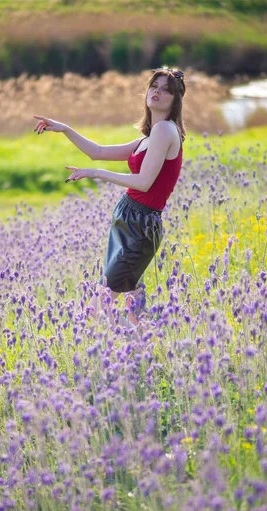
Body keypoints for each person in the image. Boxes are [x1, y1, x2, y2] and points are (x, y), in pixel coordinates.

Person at [34, 67, 186, 330]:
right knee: (130, 294)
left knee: (100, 300)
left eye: (166, 90)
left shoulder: (165, 131)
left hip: (142, 226)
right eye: (154, 86)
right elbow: (98, 151)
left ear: (175, 100)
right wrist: (66, 129)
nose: (157, 92)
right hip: (127, 219)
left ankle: (102, 352)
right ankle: (145, 350)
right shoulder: (150, 136)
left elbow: (144, 182)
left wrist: (97, 174)